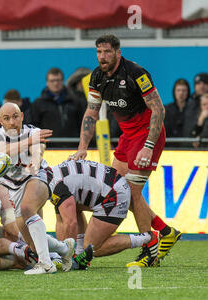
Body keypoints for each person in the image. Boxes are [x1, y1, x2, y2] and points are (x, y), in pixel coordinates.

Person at [69, 34, 181, 267]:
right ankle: (164, 230)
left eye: (107, 52)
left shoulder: (135, 73)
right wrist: (82, 148)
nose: (102, 57)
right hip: (128, 137)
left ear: (118, 53)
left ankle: (150, 249)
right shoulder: (97, 77)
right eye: (99, 52)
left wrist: (149, 147)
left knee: (132, 192)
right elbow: (91, 113)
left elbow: (158, 109)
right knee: (117, 190)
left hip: (148, 134)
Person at [0, 102, 75, 274]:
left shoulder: (34, 131)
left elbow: (39, 150)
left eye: (15, 116)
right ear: (0, 121)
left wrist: (34, 160)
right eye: (7, 118)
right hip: (14, 186)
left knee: (27, 208)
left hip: (37, 175)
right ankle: (65, 249)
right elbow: (1, 151)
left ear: (21, 116)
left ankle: (46, 264)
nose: (12, 122)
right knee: (33, 243)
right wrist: (28, 142)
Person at [50, 159, 161, 270]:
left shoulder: (56, 186)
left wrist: (65, 257)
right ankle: (78, 256)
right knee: (67, 210)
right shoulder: (52, 177)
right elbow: (62, 221)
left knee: (93, 248)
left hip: (114, 194)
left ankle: (148, 238)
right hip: (110, 186)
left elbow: (70, 223)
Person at [31, 67, 83, 147]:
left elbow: (82, 124)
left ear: (63, 81)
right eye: (52, 81)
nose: (55, 83)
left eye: (58, 80)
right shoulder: (38, 103)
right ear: (47, 83)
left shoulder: (75, 101)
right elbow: (33, 128)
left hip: (73, 147)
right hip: (49, 149)